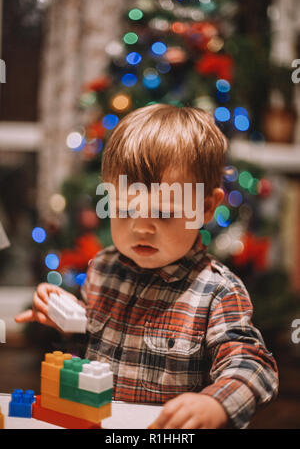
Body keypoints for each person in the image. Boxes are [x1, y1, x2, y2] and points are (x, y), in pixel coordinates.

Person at [15, 104, 278, 429]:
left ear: (206, 207)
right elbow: (90, 350)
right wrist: (62, 315)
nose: (141, 228)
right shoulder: (103, 269)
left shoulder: (218, 292)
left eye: (164, 214)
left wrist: (216, 403)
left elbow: (253, 365)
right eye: (125, 211)